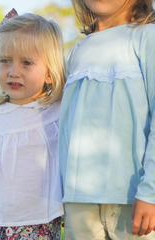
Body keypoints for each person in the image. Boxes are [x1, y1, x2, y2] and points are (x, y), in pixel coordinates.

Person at [0, 9, 66, 240]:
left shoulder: (57, 113)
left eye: (26, 62)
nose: (13, 71)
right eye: (5, 61)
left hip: (41, 223)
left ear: (49, 73)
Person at [59, 0, 155, 239]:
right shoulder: (75, 53)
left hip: (134, 200)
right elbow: (62, 130)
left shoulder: (147, 37)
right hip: (78, 202)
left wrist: (150, 192)